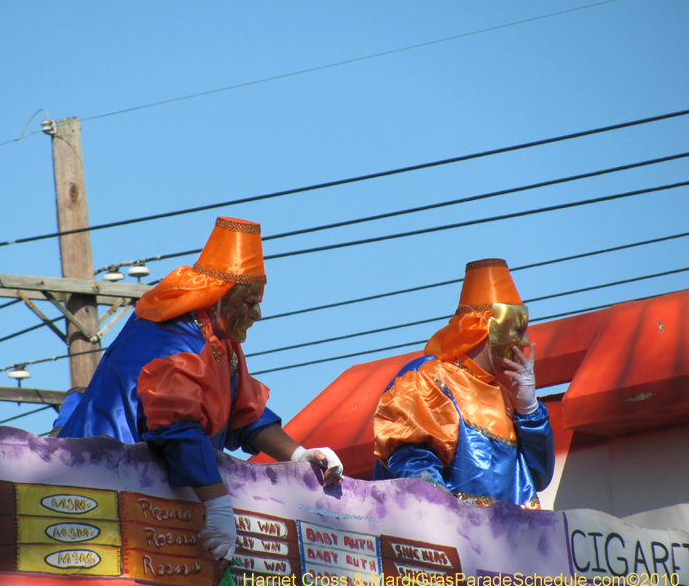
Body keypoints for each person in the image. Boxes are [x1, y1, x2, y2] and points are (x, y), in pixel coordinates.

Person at [56, 216, 343, 565]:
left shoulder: (221, 343)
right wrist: (218, 502)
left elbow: (245, 415)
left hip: (143, 498)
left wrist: (300, 456)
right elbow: (177, 428)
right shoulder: (172, 336)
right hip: (98, 486)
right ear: (219, 297)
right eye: (250, 302)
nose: (258, 314)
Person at [373, 258, 554, 508]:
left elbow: (539, 478)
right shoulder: (429, 379)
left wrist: (529, 410)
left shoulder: (507, 400)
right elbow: (414, 466)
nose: (525, 342)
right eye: (518, 329)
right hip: (457, 541)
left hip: (513, 542)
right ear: (486, 327)